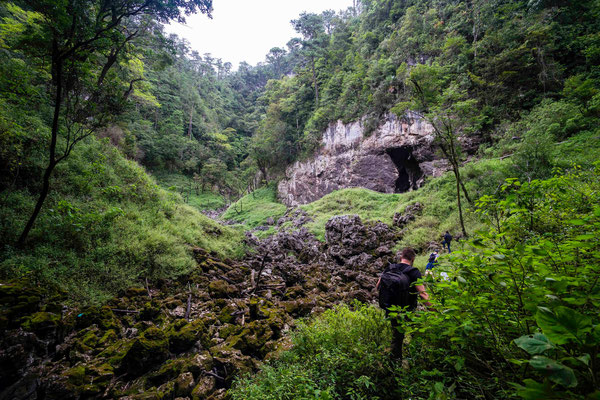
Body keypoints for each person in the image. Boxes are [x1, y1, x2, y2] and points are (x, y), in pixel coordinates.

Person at [377, 247, 430, 359]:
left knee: (397, 338)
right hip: (409, 310)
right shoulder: (414, 272)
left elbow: (378, 286)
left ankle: (395, 365)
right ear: (413, 259)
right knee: (416, 333)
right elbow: (423, 294)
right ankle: (415, 360)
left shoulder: (390, 268)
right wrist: (435, 310)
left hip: (392, 310)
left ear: (401, 257)